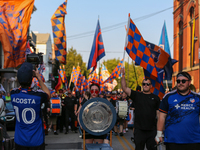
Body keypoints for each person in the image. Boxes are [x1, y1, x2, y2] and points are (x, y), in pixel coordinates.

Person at [155, 72, 200, 150]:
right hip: (172, 141)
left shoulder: (197, 98)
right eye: (178, 81)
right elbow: (161, 116)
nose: (180, 83)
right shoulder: (168, 97)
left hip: (194, 140)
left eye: (183, 81)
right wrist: (159, 134)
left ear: (189, 82)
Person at [10, 62, 50, 150]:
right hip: (36, 140)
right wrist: (39, 78)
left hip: (20, 140)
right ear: (32, 79)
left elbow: (19, 88)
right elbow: (48, 94)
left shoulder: (13, 94)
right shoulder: (38, 96)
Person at [121, 67, 160, 150]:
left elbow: (159, 116)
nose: (145, 85)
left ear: (151, 86)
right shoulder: (136, 95)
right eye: (144, 84)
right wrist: (123, 75)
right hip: (139, 130)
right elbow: (124, 88)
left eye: (147, 84)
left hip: (152, 131)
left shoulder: (156, 98)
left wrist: (160, 132)